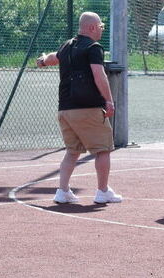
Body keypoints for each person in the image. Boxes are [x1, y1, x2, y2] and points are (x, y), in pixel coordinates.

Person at [36, 12, 122, 205]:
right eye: (100, 26)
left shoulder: (67, 45)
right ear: (91, 27)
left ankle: (63, 191)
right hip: (88, 108)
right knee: (103, 150)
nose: (101, 29)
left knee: (72, 151)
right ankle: (102, 191)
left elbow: (52, 57)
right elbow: (99, 75)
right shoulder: (93, 47)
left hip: (65, 109)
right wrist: (108, 100)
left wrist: (42, 61)